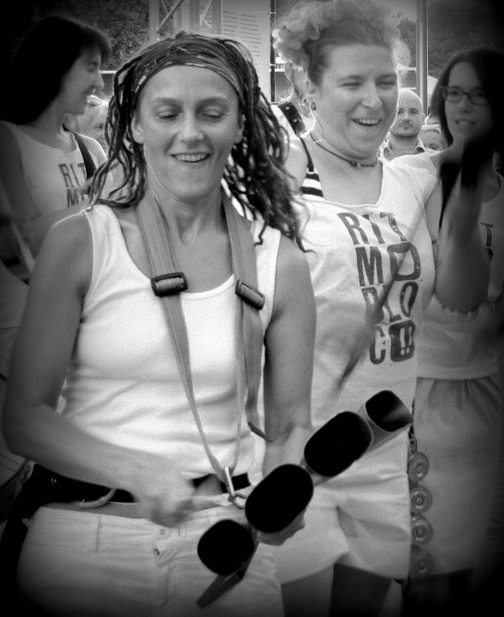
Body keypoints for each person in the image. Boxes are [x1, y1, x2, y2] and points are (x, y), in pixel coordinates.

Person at [1, 31, 316, 617]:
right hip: (84, 540)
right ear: (137, 127)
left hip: (225, 541)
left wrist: (286, 485)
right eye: (168, 113)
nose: (190, 133)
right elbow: (24, 418)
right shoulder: (81, 241)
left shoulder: (280, 260)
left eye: (212, 113)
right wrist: (135, 470)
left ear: (240, 125)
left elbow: (291, 423)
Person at [271, 0, 489, 617]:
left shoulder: (413, 182)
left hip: (385, 450)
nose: (375, 100)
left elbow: (462, 297)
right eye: (352, 83)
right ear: (308, 88)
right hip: (296, 452)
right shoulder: (280, 183)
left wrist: (463, 216)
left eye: (387, 81)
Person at [392, 47, 504, 617]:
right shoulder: (411, 178)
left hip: (484, 393)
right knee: (421, 563)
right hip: (416, 394)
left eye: (479, 94)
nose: (463, 106)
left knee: (472, 557)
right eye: (454, 93)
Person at [0, 15, 111, 264]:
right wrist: (100, 201)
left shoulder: (90, 148)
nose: (99, 82)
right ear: (56, 66)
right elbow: (23, 241)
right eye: (91, 68)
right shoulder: (8, 140)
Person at [382, 88, 427, 160]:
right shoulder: (368, 161)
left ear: (422, 119)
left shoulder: (438, 162)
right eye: (399, 112)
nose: (406, 118)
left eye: (413, 112)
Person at [272, 61, 313, 139]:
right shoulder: (273, 120)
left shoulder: (336, 122)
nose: (319, 78)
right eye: (309, 67)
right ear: (289, 70)